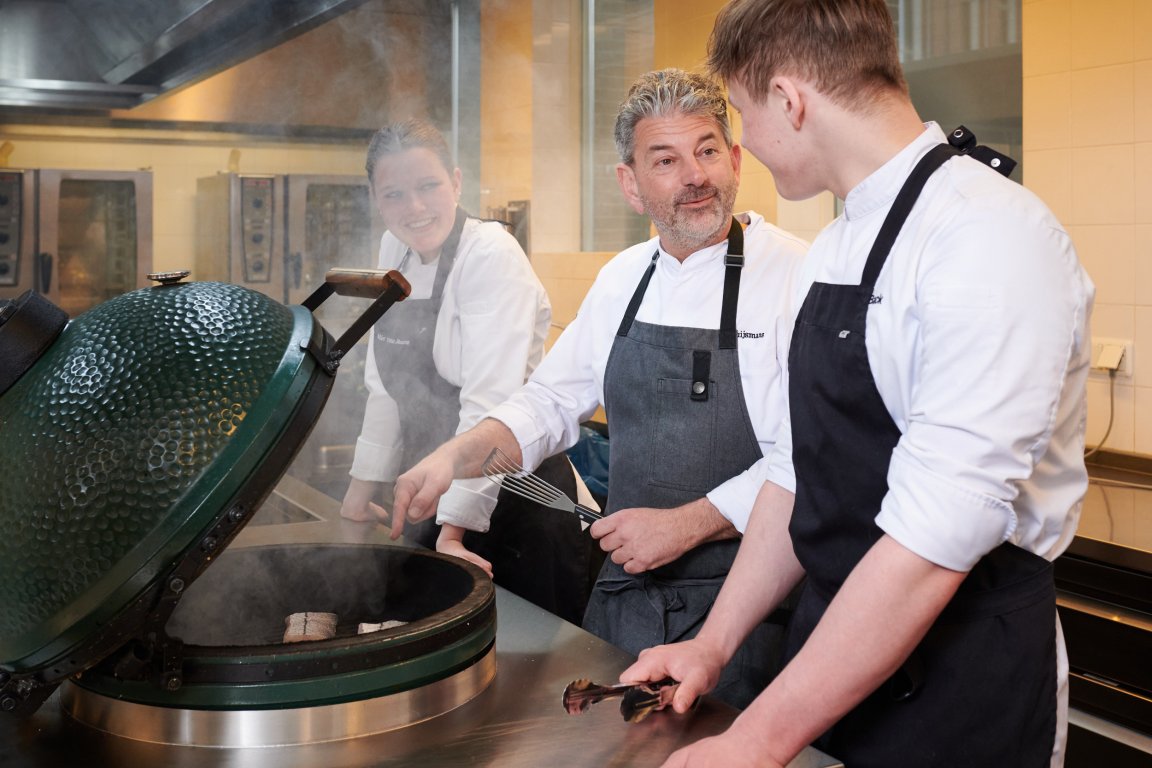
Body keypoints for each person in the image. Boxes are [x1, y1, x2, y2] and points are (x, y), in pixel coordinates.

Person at [621, 2, 1095, 767]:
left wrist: (755, 741)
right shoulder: (836, 245)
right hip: (833, 660)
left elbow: (932, 541)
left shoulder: (988, 237)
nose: (746, 145)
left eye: (741, 114)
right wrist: (712, 644)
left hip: (962, 681)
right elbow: (797, 473)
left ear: (788, 100)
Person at [390, 69, 809, 709]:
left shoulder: (797, 275)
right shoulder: (623, 278)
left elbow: (808, 458)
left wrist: (689, 525)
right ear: (630, 184)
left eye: (706, 150)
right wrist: (456, 456)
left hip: (748, 612)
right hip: (626, 603)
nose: (694, 175)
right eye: (665, 160)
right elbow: (549, 403)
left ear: (735, 160)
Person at [341, 117, 597, 625]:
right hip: (436, 491)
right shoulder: (395, 250)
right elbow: (386, 387)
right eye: (394, 195)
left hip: (516, 503)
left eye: (428, 186)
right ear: (375, 199)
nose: (414, 208)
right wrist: (359, 491)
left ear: (456, 182)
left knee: (522, 655)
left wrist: (453, 530)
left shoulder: (490, 255)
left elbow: (490, 405)